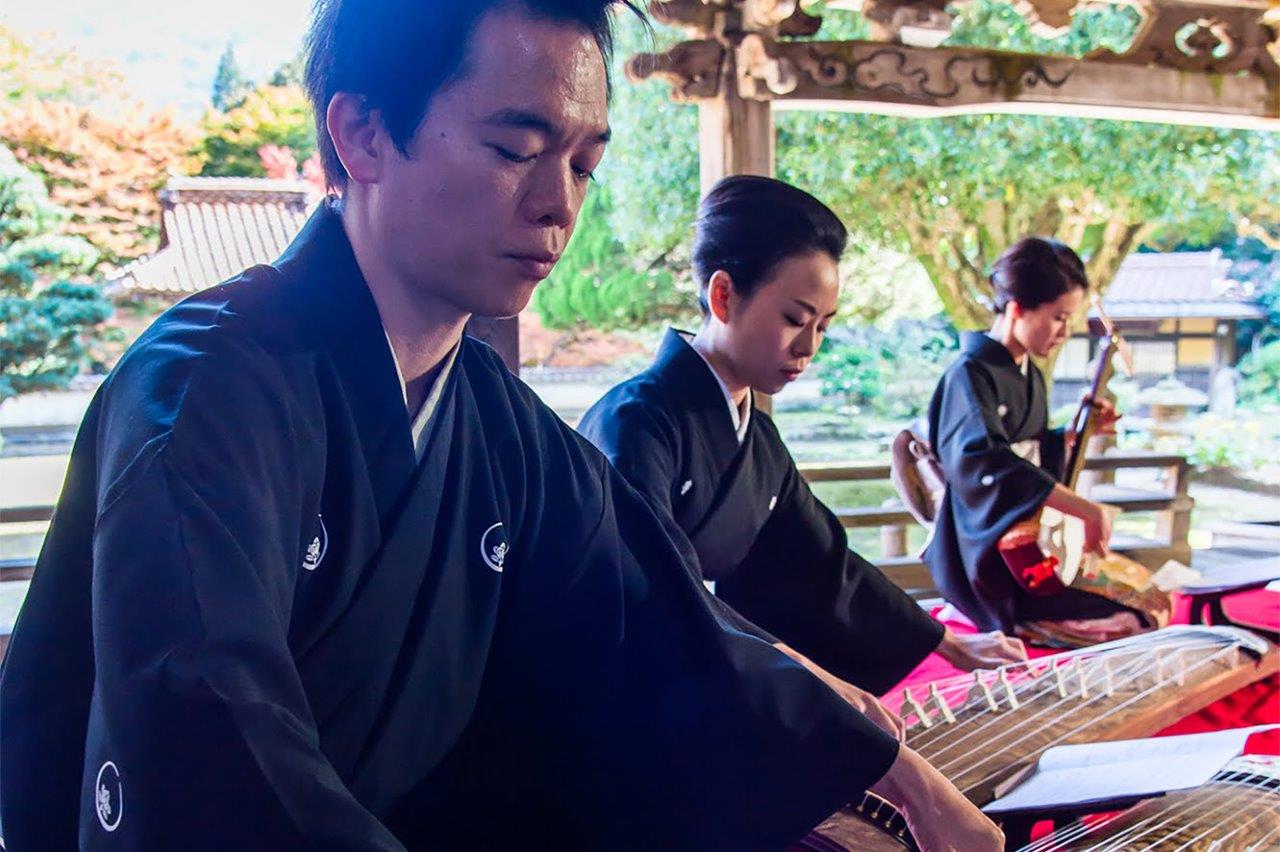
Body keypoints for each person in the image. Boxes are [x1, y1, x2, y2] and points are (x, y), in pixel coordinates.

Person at [0, 2, 1003, 850]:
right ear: (358, 135)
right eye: (514, 149)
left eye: (581, 166)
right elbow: (209, 734)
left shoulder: (494, 421)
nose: (554, 207)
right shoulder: (207, 389)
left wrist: (894, 770)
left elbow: (662, 629)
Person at [578, 176, 1025, 719]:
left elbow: (821, 563)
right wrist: (803, 673)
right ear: (723, 296)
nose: (808, 347)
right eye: (794, 319)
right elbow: (655, 593)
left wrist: (944, 641)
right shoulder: (636, 422)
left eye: (823, 327)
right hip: (620, 693)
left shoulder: (757, 438)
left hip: (708, 672)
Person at [922, 236, 1153, 638]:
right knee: (1133, 617)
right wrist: (1083, 507)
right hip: (991, 558)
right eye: (1059, 317)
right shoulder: (968, 374)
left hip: (1035, 545)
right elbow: (982, 460)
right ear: (1016, 310)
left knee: (1147, 597)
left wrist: (1071, 437)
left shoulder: (1026, 371)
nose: (1065, 331)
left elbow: (1028, 449)